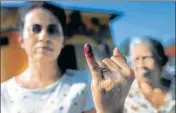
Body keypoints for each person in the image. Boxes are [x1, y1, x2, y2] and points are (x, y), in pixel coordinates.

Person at [1, 2, 95, 113]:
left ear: (63, 40)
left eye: (52, 29)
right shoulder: (4, 94)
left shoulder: (85, 83)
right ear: (21, 40)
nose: (44, 37)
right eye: (35, 29)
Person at [84, 37, 175, 113]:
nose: (141, 64)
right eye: (136, 59)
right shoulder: (123, 94)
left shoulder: (173, 88)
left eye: (146, 57)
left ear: (161, 59)